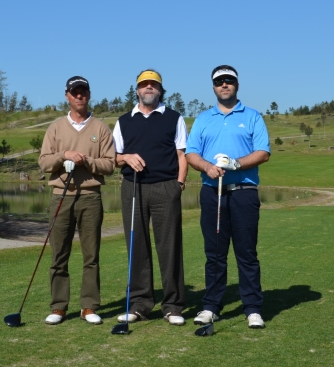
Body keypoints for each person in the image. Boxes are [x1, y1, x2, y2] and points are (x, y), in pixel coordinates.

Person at [185, 65, 270, 329]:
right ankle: (211, 306)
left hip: (244, 193)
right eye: (220, 81)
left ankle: (252, 308)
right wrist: (207, 167)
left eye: (229, 81)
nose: (224, 85)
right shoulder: (203, 119)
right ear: (213, 87)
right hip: (212, 193)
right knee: (215, 254)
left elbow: (263, 152)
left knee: (246, 253)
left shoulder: (253, 116)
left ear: (237, 85)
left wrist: (236, 163)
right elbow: (191, 154)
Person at [113, 69, 188, 326]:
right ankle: (140, 304)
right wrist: (126, 158)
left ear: (160, 89)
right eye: (144, 85)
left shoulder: (174, 118)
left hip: (166, 187)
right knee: (137, 246)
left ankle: (173, 305)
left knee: (169, 247)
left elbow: (182, 156)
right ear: (136, 90)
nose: (148, 88)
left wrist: (178, 185)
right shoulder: (124, 121)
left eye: (153, 85)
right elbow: (113, 157)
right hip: (133, 187)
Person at [38, 76, 115, 326]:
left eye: (83, 92)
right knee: (59, 254)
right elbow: (44, 162)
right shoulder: (56, 128)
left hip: (91, 198)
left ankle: (89, 306)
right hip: (61, 196)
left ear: (88, 95)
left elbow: (110, 165)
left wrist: (86, 162)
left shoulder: (100, 128)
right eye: (75, 92)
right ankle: (59, 307)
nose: (79, 96)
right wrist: (64, 155)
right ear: (67, 96)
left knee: (91, 255)